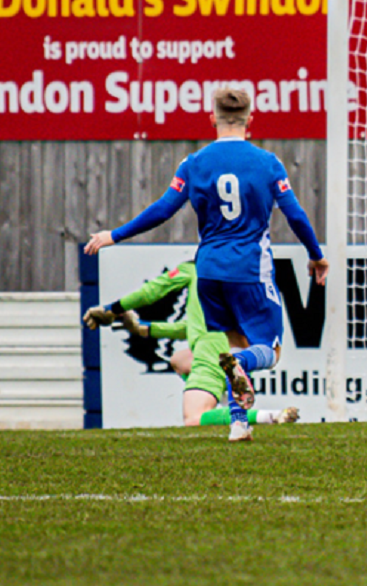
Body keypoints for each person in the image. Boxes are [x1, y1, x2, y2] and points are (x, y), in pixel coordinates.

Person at [84, 88, 329, 442]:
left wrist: (115, 235)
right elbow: (295, 214)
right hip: (249, 270)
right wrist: (316, 255)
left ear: (211, 118)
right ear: (250, 122)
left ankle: (238, 424)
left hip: (208, 271)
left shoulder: (194, 163)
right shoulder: (267, 163)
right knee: (268, 350)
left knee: (233, 343)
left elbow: (164, 209)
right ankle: (242, 376)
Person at [83, 259, 299, 433]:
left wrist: (112, 308)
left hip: (212, 349)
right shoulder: (226, 276)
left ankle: (269, 416)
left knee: (194, 418)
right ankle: (224, 395)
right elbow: (193, 326)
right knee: (179, 360)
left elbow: (151, 291)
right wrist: (144, 329)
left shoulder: (193, 270)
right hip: (231, 346)